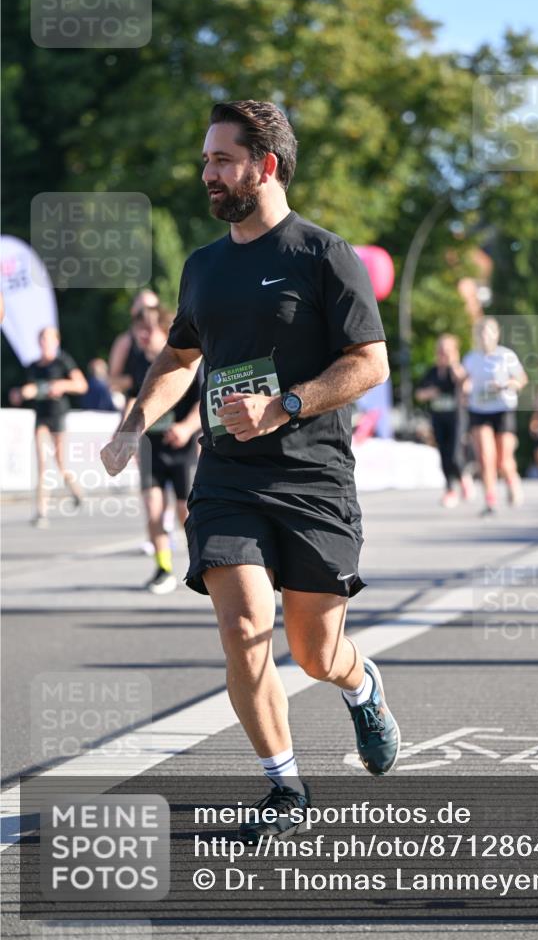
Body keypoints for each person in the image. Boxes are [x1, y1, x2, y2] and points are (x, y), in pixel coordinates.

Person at [101, 99, 400, 838]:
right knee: (242, 628)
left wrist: (287, 404)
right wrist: (133, 425)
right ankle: (284, 789)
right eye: (206, 159)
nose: (207, 172)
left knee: (314, 650)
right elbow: (179, 357)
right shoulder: (203, 266)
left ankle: (360, 687)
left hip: (313, 479)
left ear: (264, 166)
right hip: (228, 477)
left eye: (221, 159)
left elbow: (370, 363)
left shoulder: (324, 257)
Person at [125, 308, 203, 593]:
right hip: (151, 448)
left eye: (148, 330)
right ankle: (163, 568)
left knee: (185, 510)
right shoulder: (136, 362)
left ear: (163, 331)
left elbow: (202, 403)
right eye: (139, 331)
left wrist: (184, 428)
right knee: (153, 508)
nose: (142, 336)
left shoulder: (186, 359)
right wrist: (124, 435)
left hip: (181, 447)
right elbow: (132, 399)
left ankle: (200, 562)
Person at [9, 326, 88, 526]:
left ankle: (77, 492)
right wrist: (20, 394)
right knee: (43, 465)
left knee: (61, 464)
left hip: (58, 416)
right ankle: (41, 512)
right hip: (41, 418)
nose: (45, 343)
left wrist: (61, 385)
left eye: (49, 339)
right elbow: (22, 392)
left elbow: (81, 385)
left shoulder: (63, 362)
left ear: (56, 342)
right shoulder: (33, 366)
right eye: (42, 339)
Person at [462, 317, 527, 516]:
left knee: (503, 460)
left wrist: (506, 385)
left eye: (489, 332)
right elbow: (464, 383)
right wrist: (465, 389)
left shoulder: (506, 355)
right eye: (481, 332)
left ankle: (511, 479)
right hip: (479, 410)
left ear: (496, 334)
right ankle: (490, 499)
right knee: (485, 457)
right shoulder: (471, 358)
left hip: (503, 408)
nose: (485, 336)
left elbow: (521, 380)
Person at [415, 334, 473, 507]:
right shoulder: (432, 372)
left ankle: (463, 477)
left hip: (456, 417)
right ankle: (450, 489)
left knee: (455, 453)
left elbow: (467, 387)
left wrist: (455, 366)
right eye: (440, 350)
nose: (443, 354)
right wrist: (430, 393)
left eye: (447, 350)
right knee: (443, 454)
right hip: (438, 417)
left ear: (454, 351)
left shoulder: (456, 371)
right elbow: (419, 394)